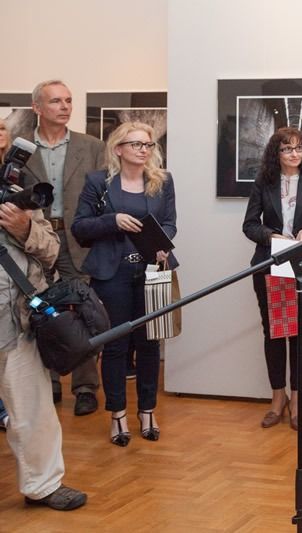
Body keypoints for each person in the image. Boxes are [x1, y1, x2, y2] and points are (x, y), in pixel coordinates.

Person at [72, 122, 177, 447]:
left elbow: (170, 222)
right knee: (115, 347)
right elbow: (80, 227)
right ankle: (117, 414)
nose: (143, 150)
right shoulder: (98, 182)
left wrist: (163, 243)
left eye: (147, 145)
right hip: (111, 274)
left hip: (152, 271)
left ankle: (147, 411)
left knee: (150, 344)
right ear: (118, 149)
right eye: (136, 144)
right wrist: (112, 220)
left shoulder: (162, 181)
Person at [0, 191, 87, 509]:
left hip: (17, 322)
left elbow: (51, 251)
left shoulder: (15, 197)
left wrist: (25, 229)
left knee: (33, 409)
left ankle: (43, 485)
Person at [23, 80, 105, 416]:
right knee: (39, 308)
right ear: (37, 108)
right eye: (56, 101)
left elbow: (104, 196)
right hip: (33, 240)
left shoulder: (92, 147)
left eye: (68, 100)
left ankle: (85, 387)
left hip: (77, 240)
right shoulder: (21, 148)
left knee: (81, 311)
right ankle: (50, 381)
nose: (65, 106)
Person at [243, 127, 302, 430]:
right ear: (276, 153)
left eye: (298, 148)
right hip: (269, 263)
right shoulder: (263, 182)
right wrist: (271, 236)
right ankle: (277, 398)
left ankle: (297, 400)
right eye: (286, 149)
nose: (294, 154)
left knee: (300, 333)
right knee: (273, 333)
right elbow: (249, 225)